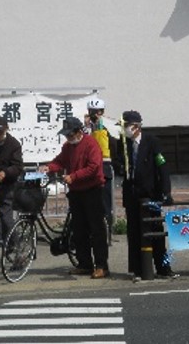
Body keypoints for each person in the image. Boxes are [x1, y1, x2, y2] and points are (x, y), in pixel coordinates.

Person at [40, 117, 109, 279]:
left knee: (97, 230)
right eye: (66, 136)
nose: (68, 138)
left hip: (93, 191)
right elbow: (60, 161)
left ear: (79, 132)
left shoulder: (91, 144)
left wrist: (74, 176)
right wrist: (48, 167)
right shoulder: (68, 147)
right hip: (76, 192)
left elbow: (94, 167)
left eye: (70, 135)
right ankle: (84, 264)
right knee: (79, 230)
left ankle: (102, 266)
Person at [118, 110, 178, 281]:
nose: (124, 130)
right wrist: (121, 167)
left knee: (156, 232)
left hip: (150, 194)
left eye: (126, 126)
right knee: (134, 233)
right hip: (132, 194)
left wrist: (166, 191)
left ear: (135, 127)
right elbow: (118, 162)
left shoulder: (152, 142)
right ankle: (138, 270)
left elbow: (162, 166)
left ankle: (163, 268)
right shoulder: (123, 144)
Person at [0, 116, 24, 246]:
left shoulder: (14, 144)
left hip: (8, 185)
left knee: (6, 216)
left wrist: (5, 173)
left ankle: (16, 246)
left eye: (0, 131)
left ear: (6, 129)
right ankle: (4, 240)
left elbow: (18, 167)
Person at [84, 98, 117, 244]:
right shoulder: (86, 128)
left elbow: (114, 147)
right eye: (91, 112)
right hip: (90, 168)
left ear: (102, 112)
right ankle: (93, 232)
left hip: (104, 166)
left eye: (97, 112)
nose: (94, 114)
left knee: (105, 204)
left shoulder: (108, 127)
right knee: (91, 202)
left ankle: (108, 233)